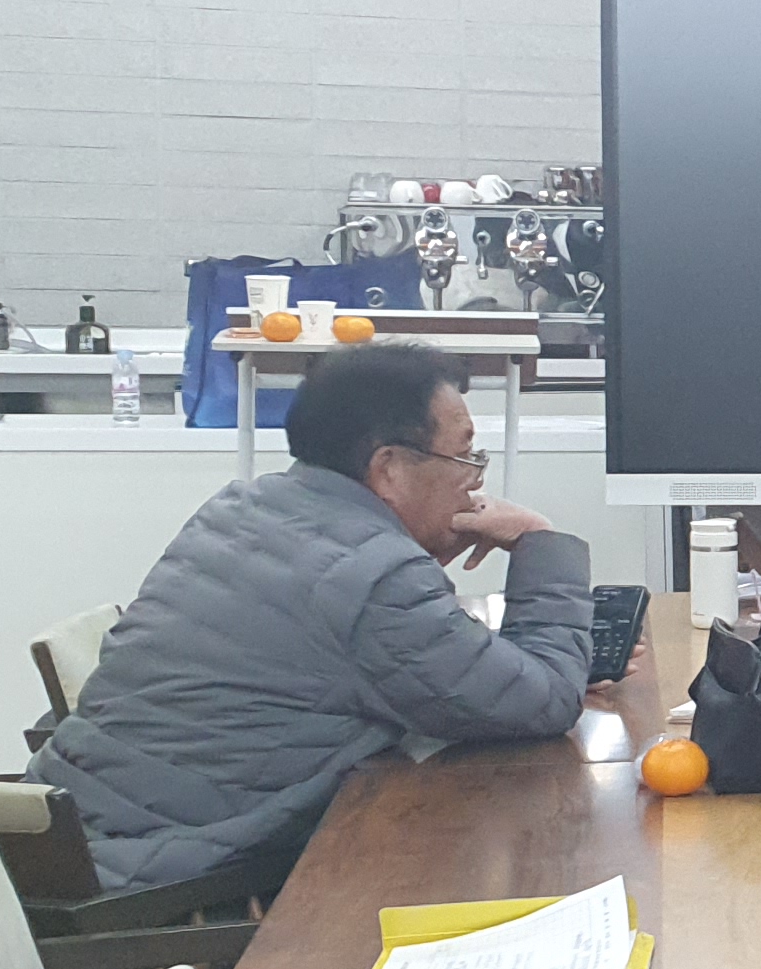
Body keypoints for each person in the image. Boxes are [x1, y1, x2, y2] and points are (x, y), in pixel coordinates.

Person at [31, 341, 619, 891]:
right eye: (465, 456)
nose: (474, 481)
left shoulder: (244, 507)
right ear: (389, 469)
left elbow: (399, 661)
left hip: (68, 829)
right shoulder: (378, 578)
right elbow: (544, 702)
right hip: (156, 872)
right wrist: (539, 539)